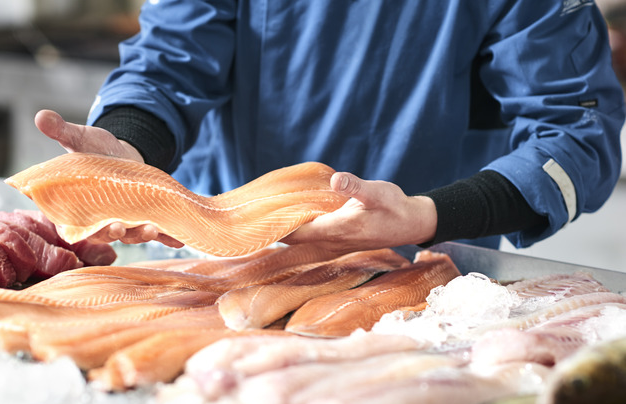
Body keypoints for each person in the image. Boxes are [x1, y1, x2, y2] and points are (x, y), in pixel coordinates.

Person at [35, 1, 625, 254]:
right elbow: (167, 64)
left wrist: (428, 216)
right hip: (219, 265)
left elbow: (577, 133)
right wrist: (130, 143)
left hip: (426, 284)